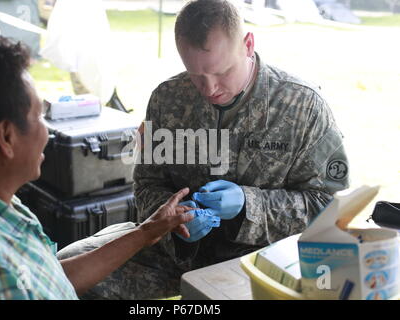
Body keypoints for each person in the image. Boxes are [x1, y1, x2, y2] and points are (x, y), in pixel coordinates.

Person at [57, 0, 350, 299]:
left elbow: (327, 206)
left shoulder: (302, 105)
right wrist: (176, 222)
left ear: (248, 45)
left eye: (222, 73)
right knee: (62, 276)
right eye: (196, 76)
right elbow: (147, 184)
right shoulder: (168, 99)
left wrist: (249, 205)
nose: (210, 89)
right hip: (175, 252)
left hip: (260, 259)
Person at [0, 32, 193, 300]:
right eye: (38, 117)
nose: (47, 132)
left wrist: (146, 232)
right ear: (6, 137)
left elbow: (51, 279)